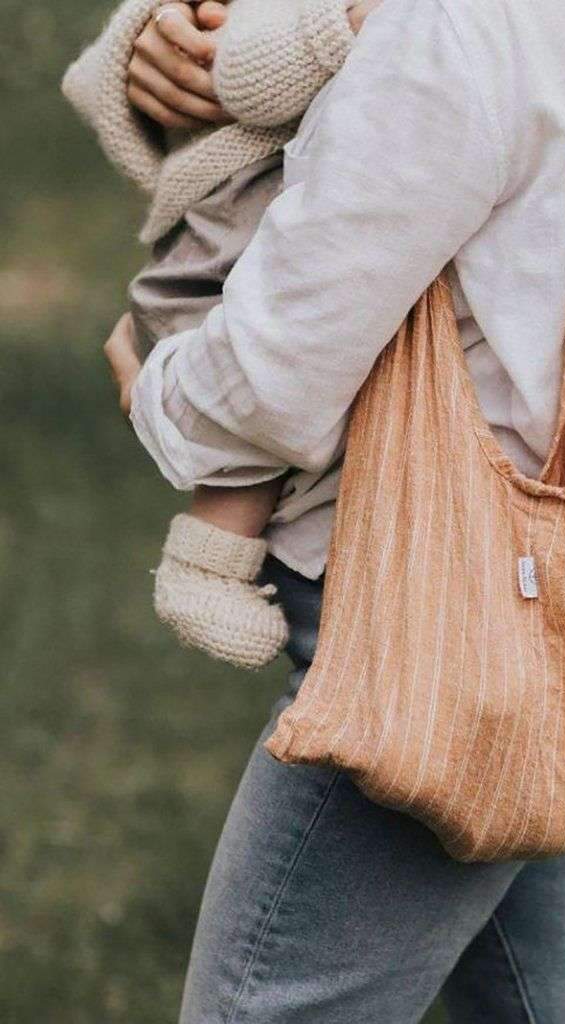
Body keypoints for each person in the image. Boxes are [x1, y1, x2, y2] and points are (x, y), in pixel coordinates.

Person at [103, 0, 565, 1018]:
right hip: (556, 587)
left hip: (422, 618)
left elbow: (273, 372)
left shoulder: (456, 25)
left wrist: (153, 387)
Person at [64, 0, 382, 669]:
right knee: (257, 392)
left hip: (270, 209)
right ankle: (203, 565)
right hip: (229, 221)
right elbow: (238, 70)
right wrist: (352, 24)